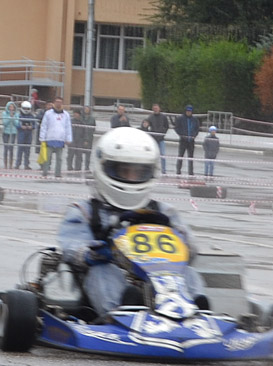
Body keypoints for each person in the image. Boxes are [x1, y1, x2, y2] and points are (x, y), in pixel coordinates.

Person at [55, 127, 204, 316]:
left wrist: (179, 240)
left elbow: (191, 251)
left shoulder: (164, 211)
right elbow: (71, 246)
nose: (131, 178)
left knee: (188, 272)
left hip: (159, 277)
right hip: (111, 279)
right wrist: (90, 253)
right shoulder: (85, 211)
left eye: (139, 173)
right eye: (124, 171)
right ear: (103, 168)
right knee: (102, 271)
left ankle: (198, 312)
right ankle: (121, 314)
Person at [38, 97, 72, 178]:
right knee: (47, 157)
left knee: (59, 158)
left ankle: (58, 174)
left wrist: (68, 138)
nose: (58, 103)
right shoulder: (48, 113)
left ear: (62, 103)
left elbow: (68, 127)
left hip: (60, 139)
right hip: (49, 138)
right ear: (54, 103)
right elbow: (44, 126)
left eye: (60, 102)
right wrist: (42, 138)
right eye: (57, 102)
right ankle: (45, 172)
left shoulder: (66, 115)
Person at [143, 103, 170, 173]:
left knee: (163, 155)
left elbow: (167, 126)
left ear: (159, 109)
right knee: (153, 155)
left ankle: (163, 170)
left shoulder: (163, 117)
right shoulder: (150, 117)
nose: (155, 110)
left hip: (161, 139)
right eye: (154, 108)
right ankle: (152, 169)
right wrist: (149, 132)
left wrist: (163, 134)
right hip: (153, 140)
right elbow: (145, 126)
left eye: (156, 108)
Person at [174, 105, 200, 176]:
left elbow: (197, 129)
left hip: (191, 141)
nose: (188, 112)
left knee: (191, 157)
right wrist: (182, 134)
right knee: (180, 155)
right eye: (187, 111)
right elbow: (176, 128)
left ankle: (191, 171)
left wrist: (194, 135)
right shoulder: (180, 119)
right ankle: (178, 170)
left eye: (190, 111)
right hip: (183, 140)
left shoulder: (194, 120)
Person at [16, 98, 40, 170]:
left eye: (27, 108)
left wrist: (31, 127)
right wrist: (21, 127)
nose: (26, 110)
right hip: (21, 134)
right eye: (25, 108)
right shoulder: (19, 115)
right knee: (20, 150)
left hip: (29, 134)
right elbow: (16, 124)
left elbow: (35, 124)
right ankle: (18, 164)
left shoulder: (31, 116)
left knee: (27, 150)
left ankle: (26, 164)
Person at [69, 107, 94, 173]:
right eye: (74, 113)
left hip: (80, 140)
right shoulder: (70, 121)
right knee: (70, 155)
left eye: (76, 113)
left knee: (79, 155)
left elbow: (86, 131)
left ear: (79, 114)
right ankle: (69, 167)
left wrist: (86, 140)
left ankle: (78, 168)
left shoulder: (82, 122)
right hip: (72, 140)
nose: (75, 114)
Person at [0, 99, 20, 167]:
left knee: (11, 148)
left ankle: (11, 163)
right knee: (6, 148)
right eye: (10, 107)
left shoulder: (16, 114)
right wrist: (10, 117)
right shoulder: (4, 113)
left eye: (12, 107)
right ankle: (5, 164)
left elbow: (17, 124)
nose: (11, 108)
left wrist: (13, 118)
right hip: (6, 132)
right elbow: (4, 123)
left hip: (13, 132)